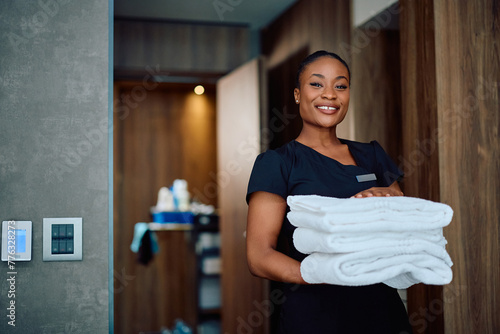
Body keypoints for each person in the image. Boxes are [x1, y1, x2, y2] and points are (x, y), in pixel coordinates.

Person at [246, 50, 413, 333]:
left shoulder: (371, 154)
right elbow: (259, 256)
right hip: (316, 315)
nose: (330, 95)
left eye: (340, 85)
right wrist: (324, 274)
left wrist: (385, 198)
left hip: (382, 311)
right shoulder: (278, 163)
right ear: (298, 94)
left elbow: (406, 224)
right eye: (317, 84)